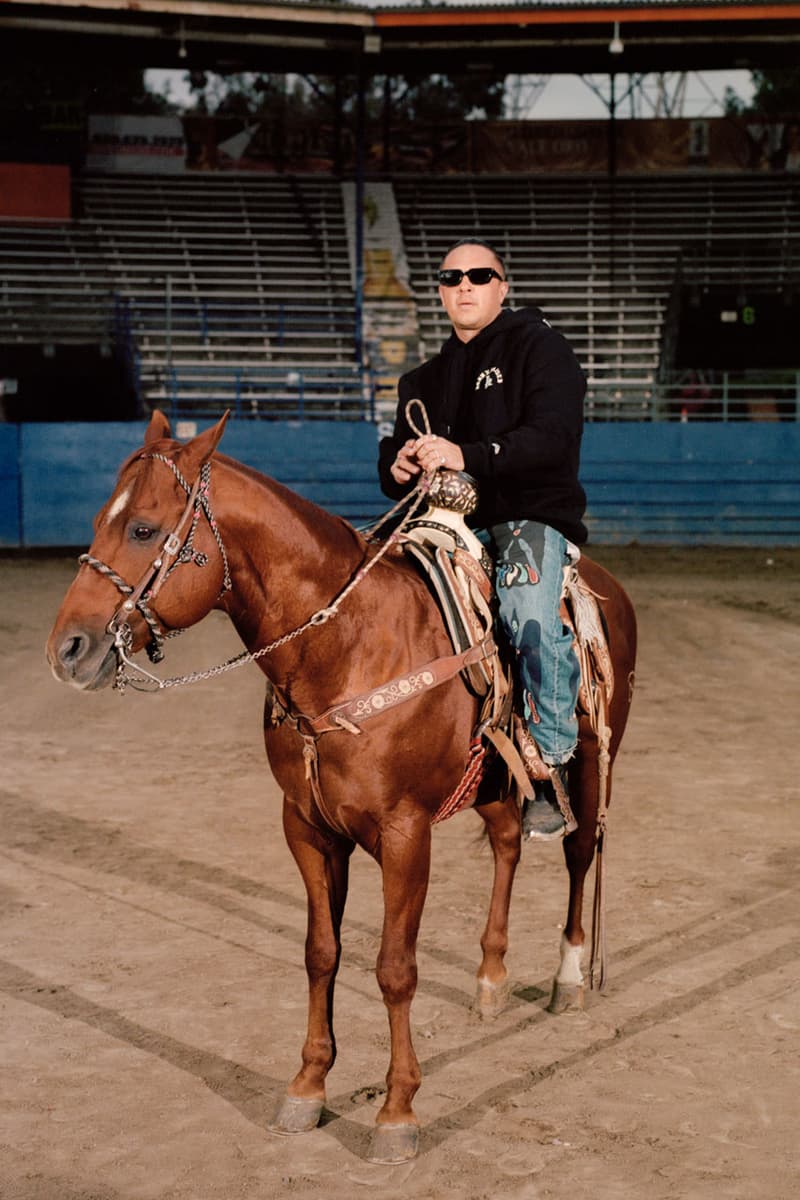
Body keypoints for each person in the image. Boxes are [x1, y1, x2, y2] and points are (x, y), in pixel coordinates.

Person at [378, 237, 588, 840]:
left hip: (526, 515)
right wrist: (398, 467)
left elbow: (552, 437)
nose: (464, 285)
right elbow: (399, 459)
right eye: (451, 277)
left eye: (478, 275)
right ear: (440, 291)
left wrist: (467, 453)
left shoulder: (539, 349)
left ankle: (550, 766)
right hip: (441, 522)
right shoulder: (420, 379)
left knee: (526, 612)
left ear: (501, 286)